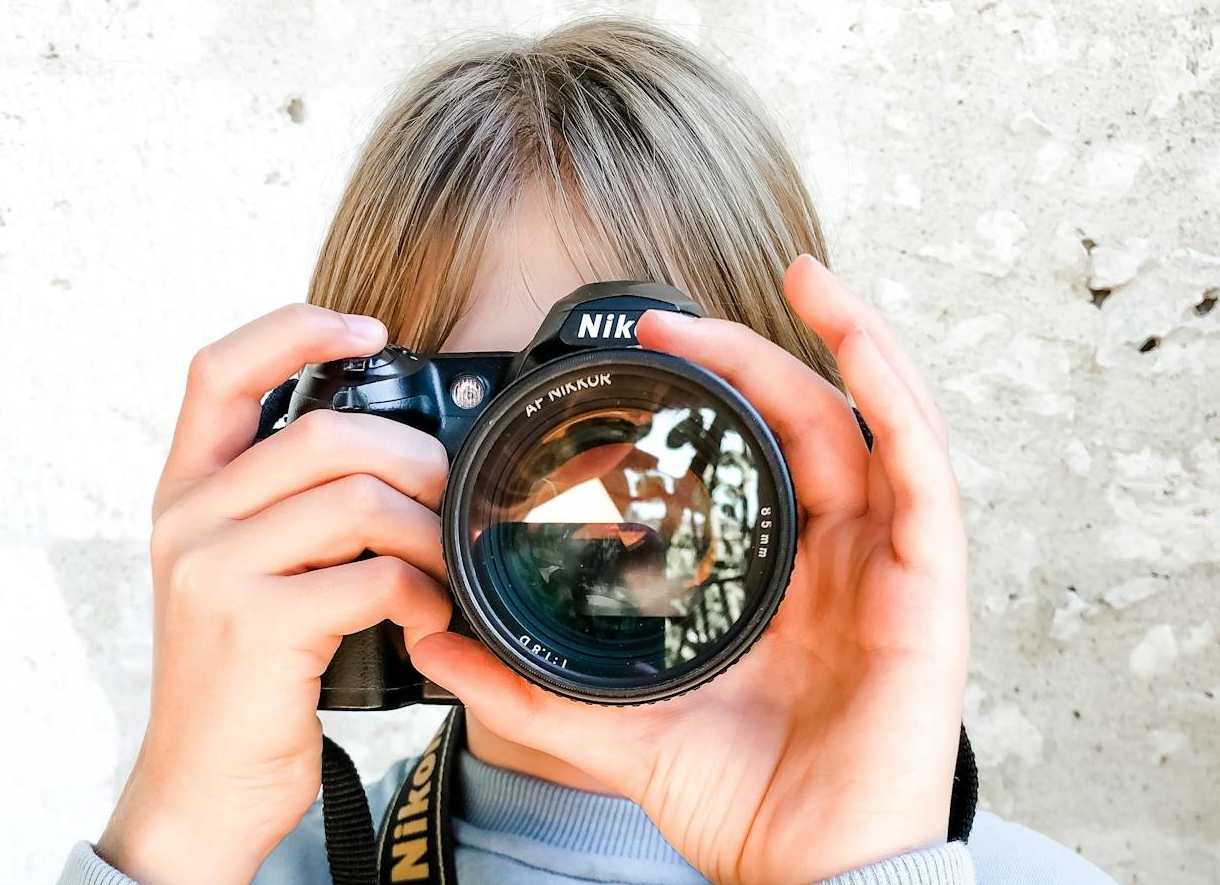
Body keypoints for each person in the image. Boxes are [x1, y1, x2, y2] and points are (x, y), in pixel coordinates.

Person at [58, 16, 1116, 885]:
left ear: (797, 445)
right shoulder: (219, 862)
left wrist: (862, 870)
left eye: (659, 422)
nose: (593, 508)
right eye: (502, 425)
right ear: (354, 449)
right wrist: (179, 829)